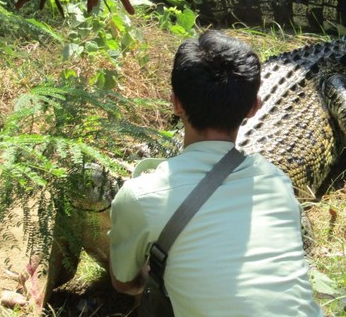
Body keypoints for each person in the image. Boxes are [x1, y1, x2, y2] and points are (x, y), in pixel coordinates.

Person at [108, 30, 323, 316]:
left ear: (175, 103)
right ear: (254, 107)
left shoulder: (139, 195)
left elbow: (124, 282)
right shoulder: (277, 181)